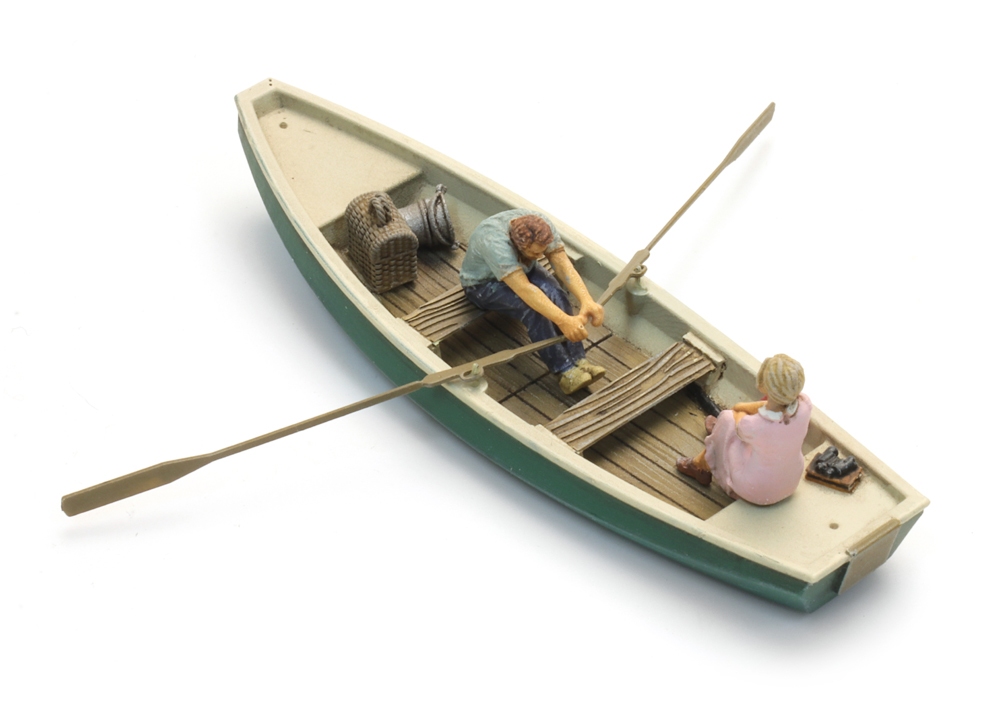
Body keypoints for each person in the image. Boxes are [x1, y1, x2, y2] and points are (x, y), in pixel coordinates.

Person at [460, 209, 606, 394]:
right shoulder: (494, 243)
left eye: (542, 252)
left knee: (557, 294)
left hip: (523, 268)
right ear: (518, 245)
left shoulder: (542, 226)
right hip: (483, 285)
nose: (540, 256)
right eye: (535, 253)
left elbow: (561, 263)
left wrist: (586, 300)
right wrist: (563, 320)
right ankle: (565, 371)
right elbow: (524, 289)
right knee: (535, 311)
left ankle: (580, 361)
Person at [676, 354, 812, 506]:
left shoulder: (753, 425)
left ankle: (700, 465)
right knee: (736, 427)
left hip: (757, 490)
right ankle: (720, 433)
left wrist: (739, 408)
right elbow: (769, 409)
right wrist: (744, 408)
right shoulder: (805, 405)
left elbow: (739, 419)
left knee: (727, 418)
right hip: (789, 482)